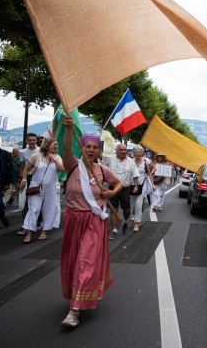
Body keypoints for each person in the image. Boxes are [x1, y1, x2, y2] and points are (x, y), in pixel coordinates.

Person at [59, 116, 122, 328]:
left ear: (99, 150)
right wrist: (68, 129)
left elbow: (119, 184)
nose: (91, 150)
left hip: (94, 221)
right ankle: (78, 295)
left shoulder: (102, 170)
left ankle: (73, 311)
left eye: (95, 147)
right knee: (73, 260)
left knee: (85, 261)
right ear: (82, 147)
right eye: (88, 146)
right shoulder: (72, 165)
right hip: (73, 219)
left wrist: (111, 192)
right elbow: (66, 149)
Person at [19, 138, 64, 243]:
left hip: (52, 187)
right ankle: (29, 233)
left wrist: (54, 159)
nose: (56, 146)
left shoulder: (57, 157)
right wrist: (24, 180)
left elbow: (62, 169)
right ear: (47, 145)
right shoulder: (36, 156)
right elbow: (26, 169)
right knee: (34, 209)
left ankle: (44, 231)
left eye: (57, 145)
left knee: (49, 209)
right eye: (55, 144)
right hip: (36, 186)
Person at [100, 143, 139, 239]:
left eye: (125, 149)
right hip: (112, 188)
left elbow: (135, 174)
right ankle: (114, 230)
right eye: (121, 150)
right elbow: (99, 155)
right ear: (116, 151)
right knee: (114, 210)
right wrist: (96, 142)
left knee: (127, 210)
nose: (123, 151)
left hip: (125, 189)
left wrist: (136, 186)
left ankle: (125, 221)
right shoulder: (110, 159)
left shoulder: (131, 161)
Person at [17, 133, 40, 235]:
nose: (32, 142)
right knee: (25, 203)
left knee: (38, 202)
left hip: (39, 179)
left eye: (34, 140)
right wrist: (22, 179)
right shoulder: (23, 152)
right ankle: (24, 225)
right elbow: (22, 167)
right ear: (26, 141)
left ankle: (38, 221)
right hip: (27, 179)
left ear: (36, 140)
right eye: (30, 140)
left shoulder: (41, 150)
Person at [131, 145, 156, 232]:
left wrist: (152, 184)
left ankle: (137, 223)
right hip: (132, 185)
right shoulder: (130, 162)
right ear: (133, 153)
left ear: (142, 153)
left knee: (138, 204)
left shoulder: (146, 161)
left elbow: (150, 172)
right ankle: (138, 215)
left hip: (143, 185)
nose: (138, 154)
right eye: (137, 152)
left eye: (140, 152)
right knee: (134, 204)